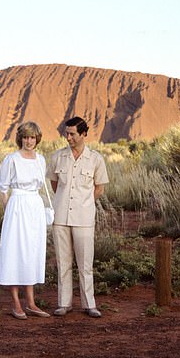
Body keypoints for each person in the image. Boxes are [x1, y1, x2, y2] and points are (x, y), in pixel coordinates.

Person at [46, 116, 109, 318]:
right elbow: (54, 185)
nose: (68, 137)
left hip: (84, 217)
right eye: (67, 133)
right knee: (63, 262)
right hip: (61, 217)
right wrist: (65, 201)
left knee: (85, 263)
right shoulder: (57, 157)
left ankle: (89, 304)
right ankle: (64, 304)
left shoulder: (96, 159)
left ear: (83, 134)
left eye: (72, 134)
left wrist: (83, 202)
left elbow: (99, 188)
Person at [0, 121, 51, 320]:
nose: (29, 141)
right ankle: (16, 302)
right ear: (20, 138)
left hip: (35, 206)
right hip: (17, 206)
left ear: (38, 138)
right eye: (26, 137)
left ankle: (31, 302)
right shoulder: (11, 159)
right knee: (15, 251)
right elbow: (3, 189)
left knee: (31, 251)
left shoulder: (41, 159)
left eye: (32, 137)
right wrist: (10, 211)